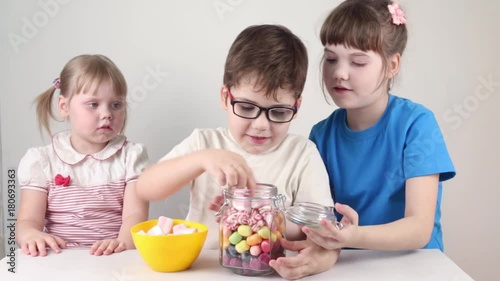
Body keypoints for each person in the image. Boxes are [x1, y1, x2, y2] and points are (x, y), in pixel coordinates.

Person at [136, 24, 339, 279]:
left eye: (278, 112)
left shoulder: (302, 154)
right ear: (225, 97)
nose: (261, 125)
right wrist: (200, 160)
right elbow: (145, 187)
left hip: (273, 270)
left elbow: (317, 225)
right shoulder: (204, 143)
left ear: (296, 106)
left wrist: (255, 217)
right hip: (203, 270)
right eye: (246, 107)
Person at [302, 0, 456, 252]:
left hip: (417, 265)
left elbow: (419, 228)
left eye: (358, 62)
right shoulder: (322, 135)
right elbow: (320, 217)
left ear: (392, 66)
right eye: (331, 58)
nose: (339, 73)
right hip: (349, 266)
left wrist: (352, 237)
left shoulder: (416, 124)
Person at [16, 54, 149, 257]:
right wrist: (31, 235)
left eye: (116, 104)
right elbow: (27, 222)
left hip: (112, 258)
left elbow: (135, 216)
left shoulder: (130, 157)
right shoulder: (42, 161)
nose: (107, 114)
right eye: (93, 104)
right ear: (64, 106)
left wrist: (121, 244)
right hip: (57, 259)